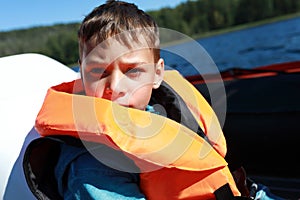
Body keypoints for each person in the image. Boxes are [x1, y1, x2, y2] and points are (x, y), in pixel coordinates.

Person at [22, 1, 259, 199]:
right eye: (98, 72)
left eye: (132, 71)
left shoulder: (167, 115)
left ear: (157, 74)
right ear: (82, 77)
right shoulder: (91, 167)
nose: (115, 88)